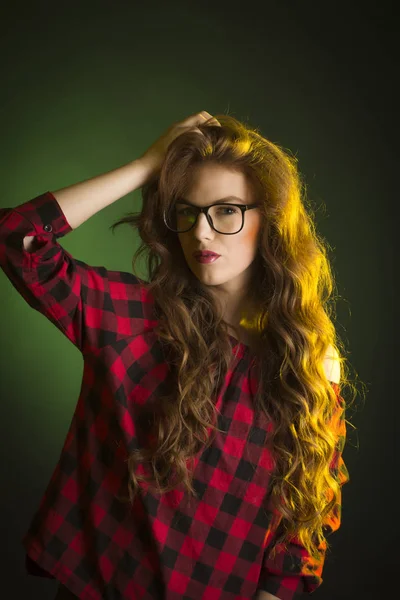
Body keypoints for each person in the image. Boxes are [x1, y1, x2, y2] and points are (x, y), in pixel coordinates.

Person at [0, 111, 351, 600]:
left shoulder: (308, 363)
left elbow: (303, 522)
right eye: (187, 212)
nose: (201, 233)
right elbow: (18, 239)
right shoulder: (133, 319)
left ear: (269, 219)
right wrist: (146, 165)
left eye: (226, 210)